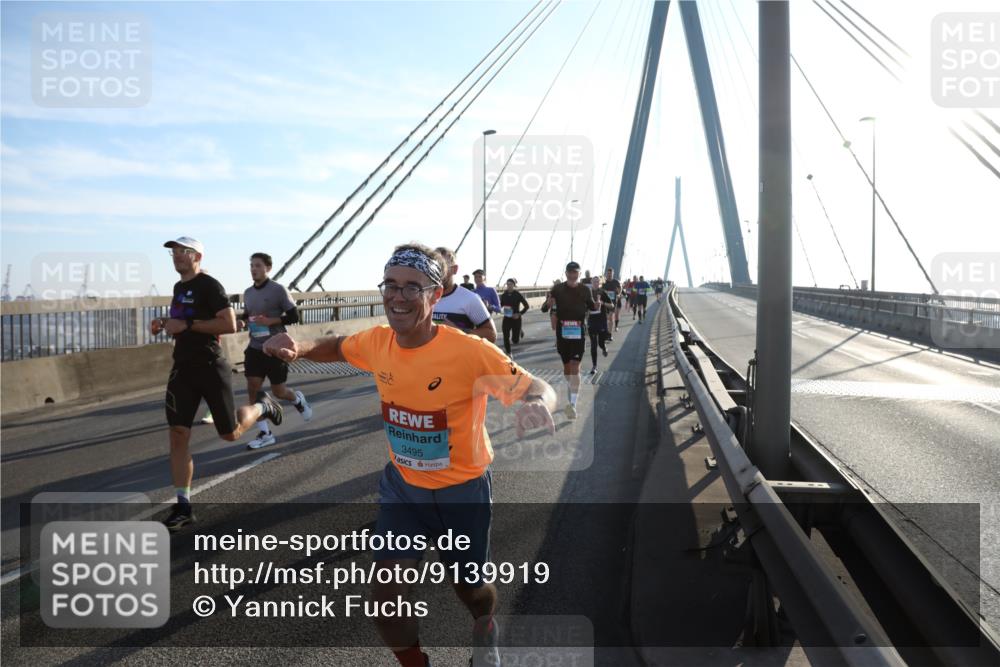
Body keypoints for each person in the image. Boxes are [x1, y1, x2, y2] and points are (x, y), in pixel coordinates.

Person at [264, 243, 557, 667]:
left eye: (411, 288)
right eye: (391, 285)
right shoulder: (378, 342)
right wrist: (300, 346)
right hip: (404, 490)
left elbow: (536, 386)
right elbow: (339, 345)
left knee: (471, 589)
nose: (397, 297)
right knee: (386, 597)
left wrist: (538, 404)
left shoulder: (468, 351)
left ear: (435, 295)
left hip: (462, 491)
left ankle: (485, 627)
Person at [155, 237, 283, 532]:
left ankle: (262, 407)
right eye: (173, 252)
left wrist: (187, 325)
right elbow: (182, 323)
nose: (177, 256)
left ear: (197, 256)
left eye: (183, 251)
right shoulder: (179, 288)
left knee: (230, 434)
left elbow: (229, 324)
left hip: (211, 368)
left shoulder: (210, 286)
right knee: (178, 434)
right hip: (182, 369)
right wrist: (164, 323)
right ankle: (183, 506)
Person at [236, 252, 313, 450]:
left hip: (276, 347)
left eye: (258, 266)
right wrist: (242, 321)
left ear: (268, 268)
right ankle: (265, 433)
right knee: (253, 387)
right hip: (255, 347)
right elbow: (247, 314)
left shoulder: (278, 290)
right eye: (252, 266)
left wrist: (271, 321)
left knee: (279, 391)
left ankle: (297, 399)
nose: (254, 269)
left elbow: (294, 316)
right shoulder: (248, 293)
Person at [540, 261, 594, 420]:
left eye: (575, 272)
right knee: (567, 368)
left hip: (578, 332)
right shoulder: (557, 289)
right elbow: (544, 308)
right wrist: (548, 303)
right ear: (566, 273)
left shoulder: (585, 290)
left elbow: (592, 307)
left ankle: (573, 404)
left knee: (575, 367)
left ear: (579, 274)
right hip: (562, 333)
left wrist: (597, 305)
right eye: (570, 272)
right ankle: (571, 385)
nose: (572, 275)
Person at [432, 248, 497, 342]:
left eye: (443, 267)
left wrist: (459, 331)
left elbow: (491, 335)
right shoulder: (422, 296)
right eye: (434, 267)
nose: (438, 272)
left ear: (455, 269)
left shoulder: (470, 299)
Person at [586, 276, 612, 374]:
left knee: (601, 343)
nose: (596, 283)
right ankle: (594, 366)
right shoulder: (587, 293)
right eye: (594, 282)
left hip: (601, 321)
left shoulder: (603, 292)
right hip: (592, 321)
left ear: (600, 283)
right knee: (593, 345)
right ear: (591, 282)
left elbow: (612, 305)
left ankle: (604, 347)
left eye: (597, 282)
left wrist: (603, 303)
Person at [499, 278, 529, 356]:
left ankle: (519, 330)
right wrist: (496, 308)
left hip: (516, 319)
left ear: (514, 285)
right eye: (508, 284)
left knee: (515, 340)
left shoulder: (517, 294)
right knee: (506, 336)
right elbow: (500, 306)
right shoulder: (504, 295)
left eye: (511, 284)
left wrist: (519, 314)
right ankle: (509, 353)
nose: (509, 286)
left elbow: (527, 306)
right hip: (507, 318)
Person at [602, 267, 623, 335]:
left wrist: (619, 294)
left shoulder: (616, 282)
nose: (609, 275)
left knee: (611, 317)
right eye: (608, 273)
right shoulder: (603, 282)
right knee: (606, 318)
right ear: (606, 274)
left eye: (610, 273)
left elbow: (620, 287)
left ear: (613, 274)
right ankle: (606, 330)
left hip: (612, 302)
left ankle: (609, 334)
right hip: (605, 302)